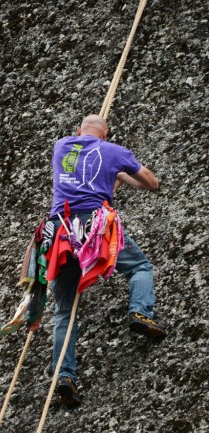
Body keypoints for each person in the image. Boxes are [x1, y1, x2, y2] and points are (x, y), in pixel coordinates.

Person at [48, 114, 167, 408]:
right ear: (106, 134)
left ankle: (65, 376)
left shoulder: (62, 145)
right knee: (140, 267)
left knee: (65, 310)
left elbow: (82, 168)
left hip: (60, 232)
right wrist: (121, 173)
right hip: (93, 226)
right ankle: (140, 312)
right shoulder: (114, 151)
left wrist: (113, 175)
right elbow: (151, 183)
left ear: (77, 131)